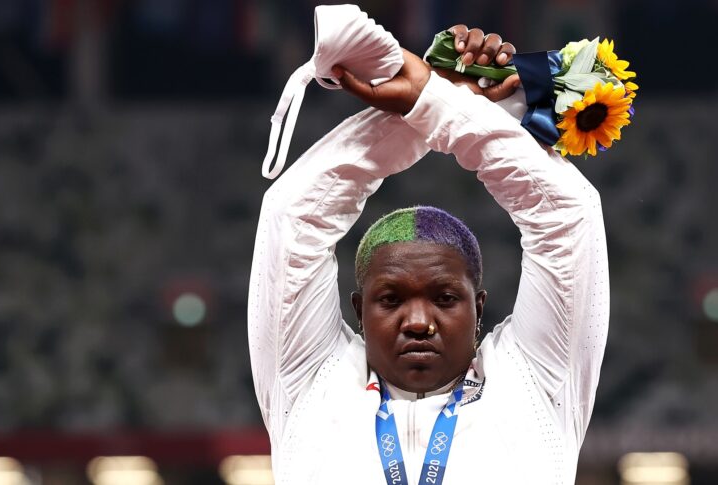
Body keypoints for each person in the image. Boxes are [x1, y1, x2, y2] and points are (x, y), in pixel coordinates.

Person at [248, 25, 609, 484]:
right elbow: (294, 215)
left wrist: (432, 101)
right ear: (359, 310)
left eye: (444, 298)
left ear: (478, 307)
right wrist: (437, 100)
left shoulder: (538, 381)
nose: (418, 321)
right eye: (391, 299)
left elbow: (567, 214)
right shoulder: (307, 380)